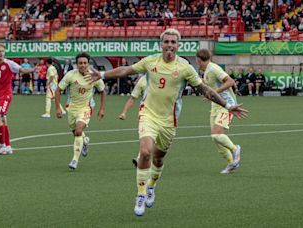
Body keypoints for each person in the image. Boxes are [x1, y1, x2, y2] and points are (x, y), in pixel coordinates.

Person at [87, 29, 248, 216]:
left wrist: (227, 105)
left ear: (178, 45)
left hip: (169, 121)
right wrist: (103, 74)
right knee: (145, 152)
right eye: (166, 42)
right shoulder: (150, 61)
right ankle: (140, 194)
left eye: (173, 42)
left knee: (158, 158)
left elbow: (205, 90)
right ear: (161, 44)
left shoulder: (185, 67)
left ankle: (151, 187)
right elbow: (126, 70)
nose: (170, 45)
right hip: (148, 114)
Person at [54, 52, 106, 170]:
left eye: (85, 63)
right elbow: (58, 90)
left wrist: (102, 109)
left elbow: (103, 91)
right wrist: (58, 107)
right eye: (80, 63)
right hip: (72, 108)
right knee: (76, 133)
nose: (83, 65)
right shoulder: (70, 75)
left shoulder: (94, 76)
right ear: (76, 64)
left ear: (88, 64)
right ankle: (85, 141)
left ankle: (74, 160)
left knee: (78, 131)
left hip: (86, 108)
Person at [196, 49, 242, 174]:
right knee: (215, 138)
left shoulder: (213, 68)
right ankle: (231, 163)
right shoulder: (205, 72)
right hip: (215, 106)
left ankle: (235, 149)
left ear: (199, 60)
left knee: (216, 134)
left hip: (227, 105)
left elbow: (230, 81)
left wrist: (214, 93)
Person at [119, 75, 147, 167]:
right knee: (145, 135)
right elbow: (132, 98)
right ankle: (139, 158)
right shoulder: (143, 80)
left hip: (163, 114)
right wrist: (124, 112)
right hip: (145, 113)